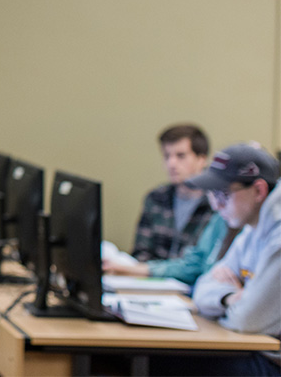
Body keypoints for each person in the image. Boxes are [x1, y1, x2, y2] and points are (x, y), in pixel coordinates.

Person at [150, 142, 280, 376]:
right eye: (212, 194)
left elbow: (247, 320)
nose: (216, 204)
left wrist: (239, 304)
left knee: (166, 362)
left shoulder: (277, 233)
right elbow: (203, 287)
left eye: (224, 194)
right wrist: (230, 297)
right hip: (258, 350)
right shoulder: (254, 226)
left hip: (272, 361)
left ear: (259, 191)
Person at [131, 124, 213, 261]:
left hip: (195, 280)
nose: (171, 164)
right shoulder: (156, 198)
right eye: (167, 156)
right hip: (152, 278)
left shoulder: (216, 204)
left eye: (181, 156)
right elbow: (141, 252)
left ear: (201, 159)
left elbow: (207, 262)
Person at [104, 211, 238, 285]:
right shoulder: (219, 218)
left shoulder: (216, 213)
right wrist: (126, 269)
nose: (219, 203)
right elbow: (192, 264)